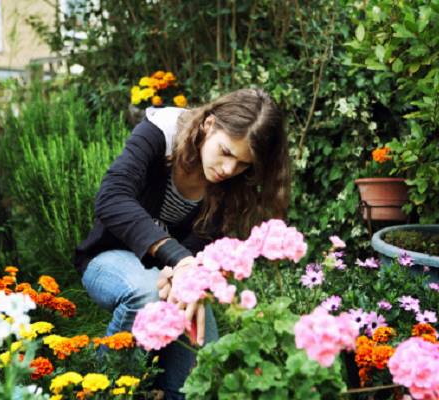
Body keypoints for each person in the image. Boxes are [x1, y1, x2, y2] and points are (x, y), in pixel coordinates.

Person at [74, 88, 291, 399]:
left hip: (179, 271)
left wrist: (184, 274)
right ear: (208, 125)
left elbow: (208, 245)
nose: (229, 170)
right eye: (227, 152)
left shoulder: (234, 184)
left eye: (244, 164)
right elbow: (111, 199)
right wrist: (179, 260)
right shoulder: (161, 132)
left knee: (205, 356)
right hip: (109, 257)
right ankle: (104, 391)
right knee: (147, 292)